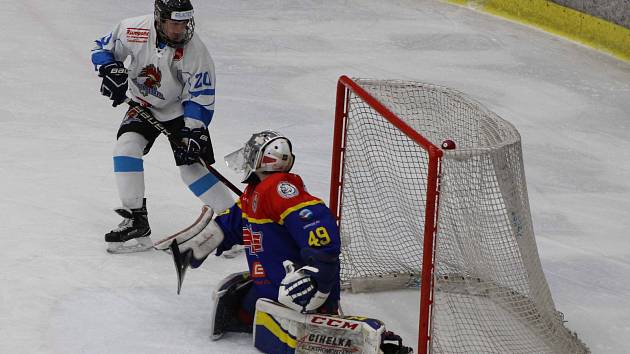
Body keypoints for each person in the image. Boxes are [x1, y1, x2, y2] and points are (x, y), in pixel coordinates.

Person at [154, 131, 413, 354]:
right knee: (239, 307)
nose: (245, 160)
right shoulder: (254, 192)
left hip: (299, 291)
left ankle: (379, 342)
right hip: (271, 284)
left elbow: (316, 225)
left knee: (287, 333)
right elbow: (234, 223)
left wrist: (317, 277)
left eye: (250, 154)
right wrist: (200, 244)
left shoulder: (278, 187)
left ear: (264, 159)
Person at [91, 0, 233, 253]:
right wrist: (110, 68)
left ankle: (238, 224)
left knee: (191, 170)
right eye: (174, 23)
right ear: (159, 19)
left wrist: (194, 131)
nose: (180, 30)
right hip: (142, 104)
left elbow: (199, 96)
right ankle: (136, 220)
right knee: (125, 150)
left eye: (184, 23)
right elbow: (102, 48)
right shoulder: (133, 29)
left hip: (180, 111)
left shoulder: (195, 51)